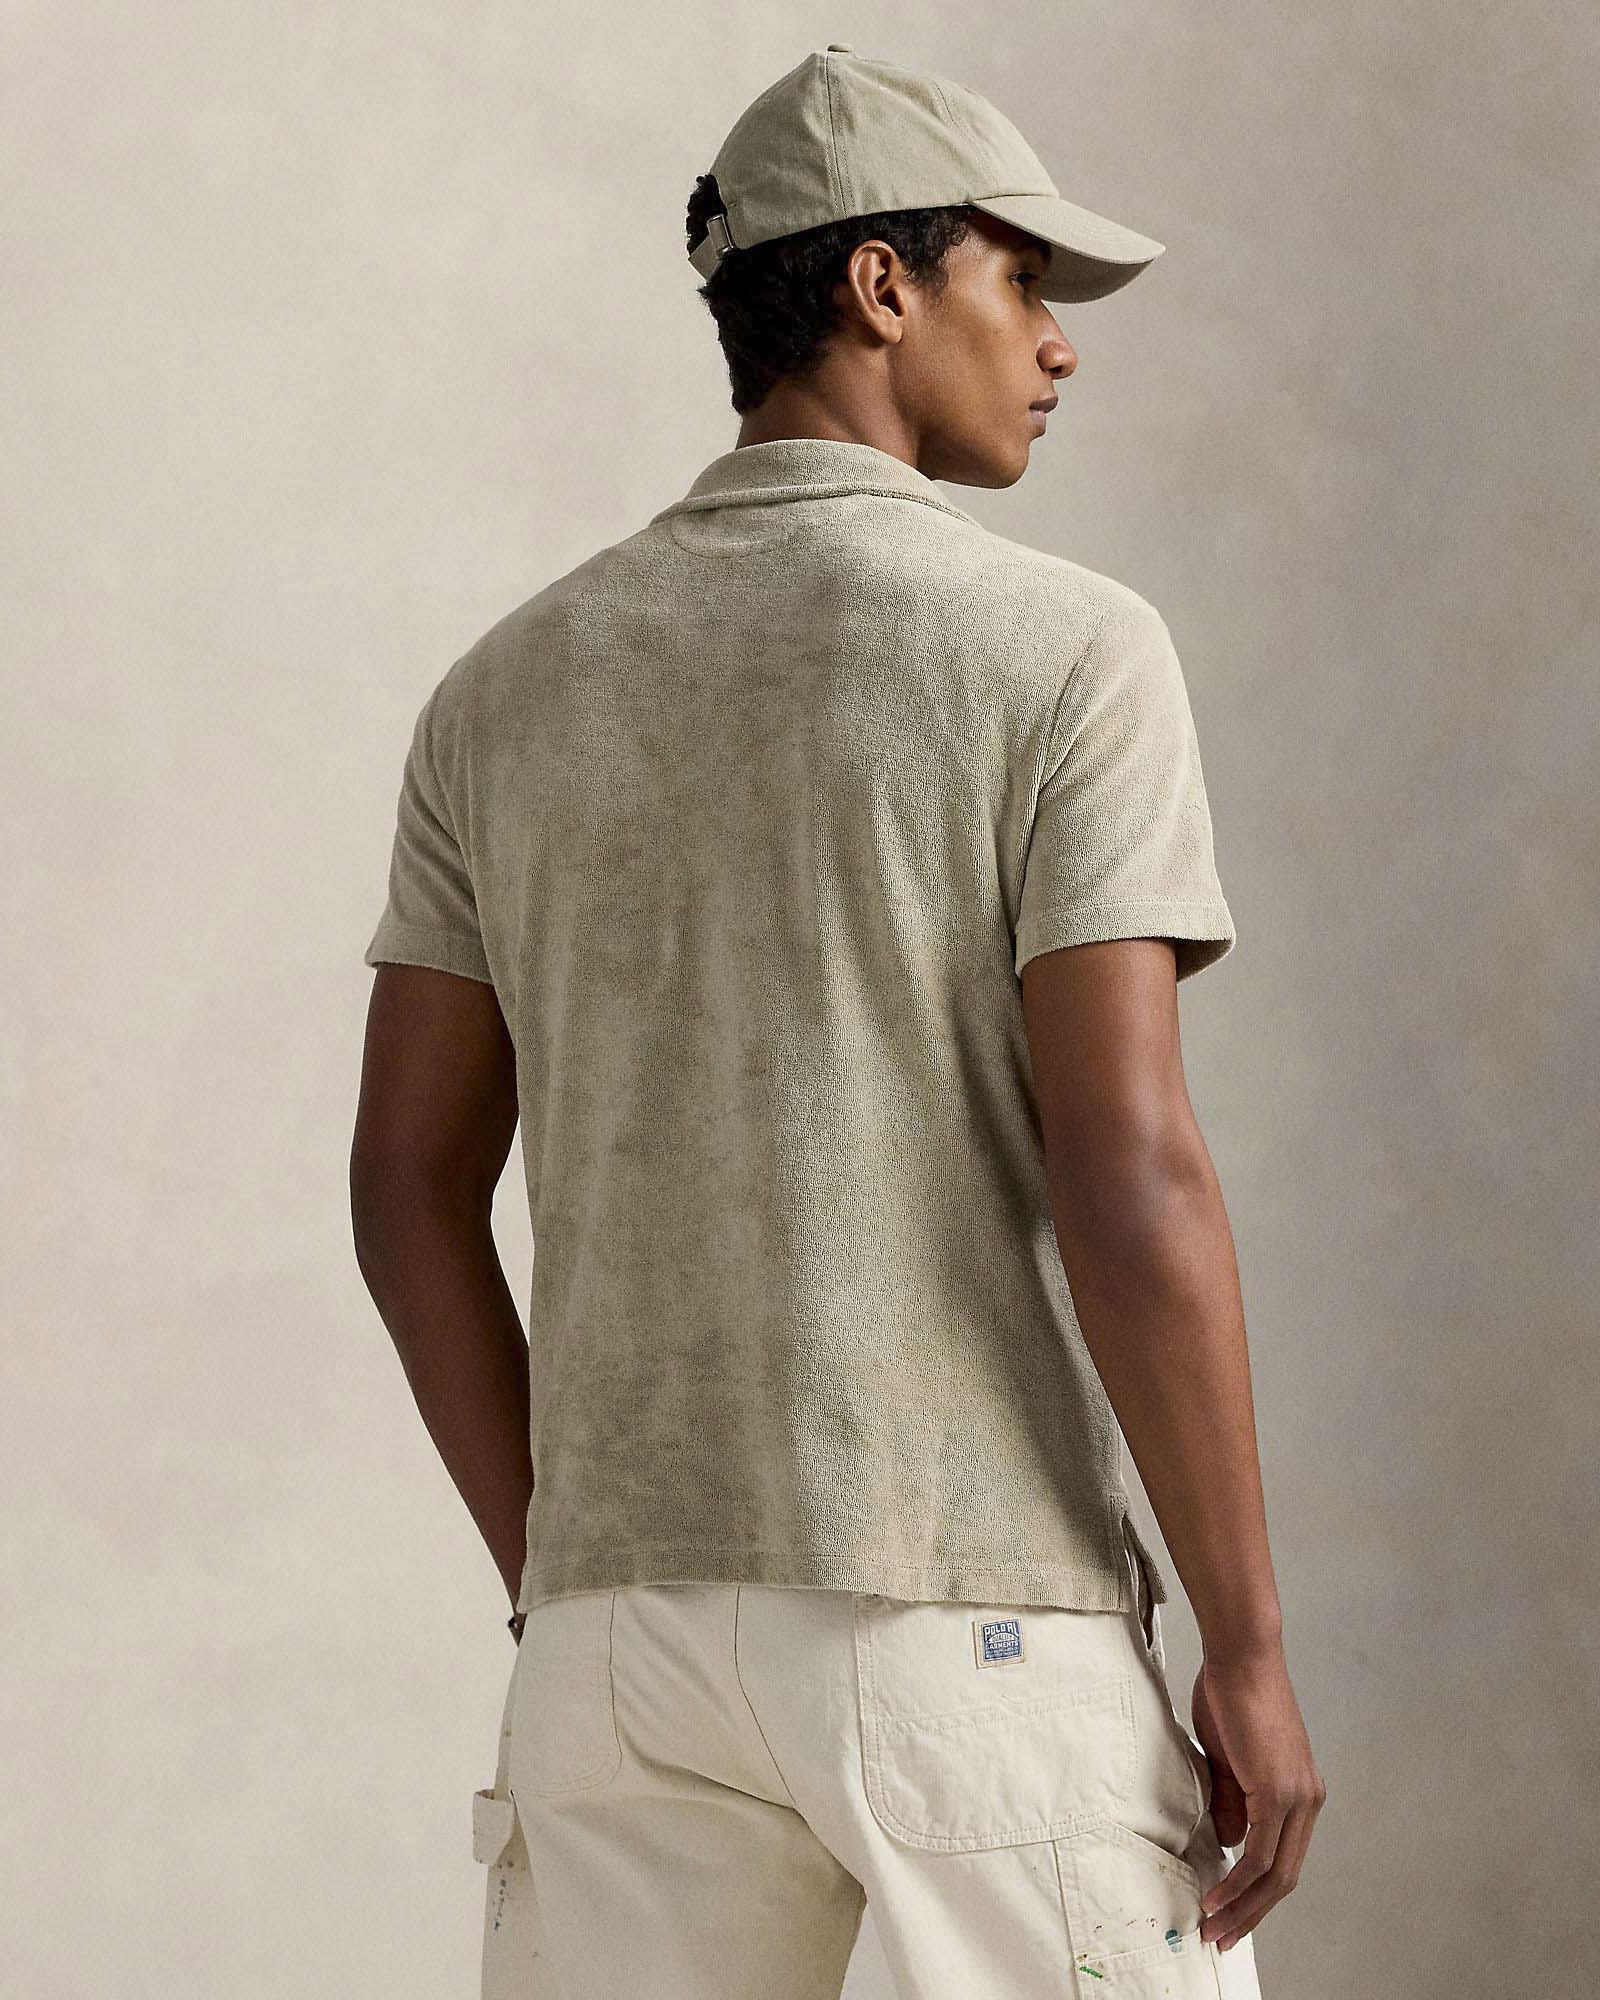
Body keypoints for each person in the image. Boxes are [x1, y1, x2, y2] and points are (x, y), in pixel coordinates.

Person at [350, 43, 1324, 2000]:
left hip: (617, 1651)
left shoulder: (502, 691)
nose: (1056, 341)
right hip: (967, 1609)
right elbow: (1128, 1171)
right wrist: (1247, 1642)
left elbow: (405, 1188)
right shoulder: (1063, 652)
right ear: (881, 284)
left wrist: (566, 1572)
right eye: (1018, 279)